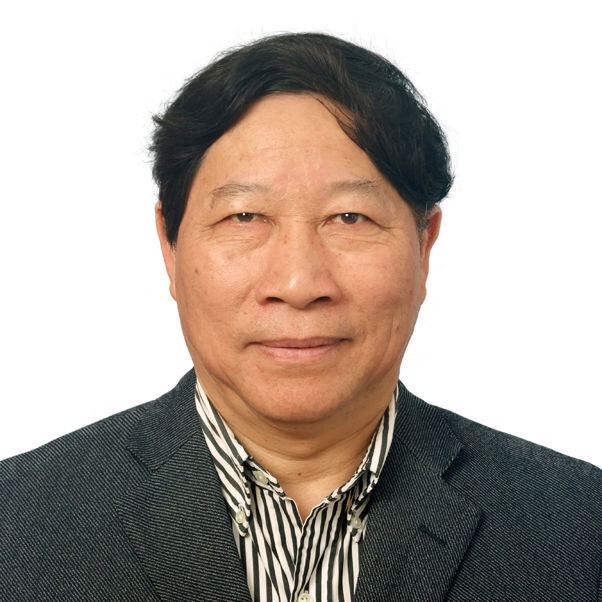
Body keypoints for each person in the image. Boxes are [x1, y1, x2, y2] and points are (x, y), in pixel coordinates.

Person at [0, 32, 599, 602]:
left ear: (424, 246)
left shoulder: (577, 528)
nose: (298, 284)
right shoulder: (19, 525)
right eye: (244, 217)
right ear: (170, 245)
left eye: (349, 218)